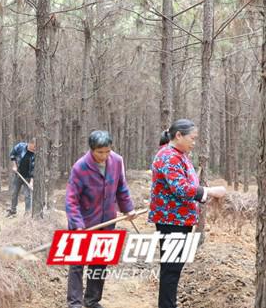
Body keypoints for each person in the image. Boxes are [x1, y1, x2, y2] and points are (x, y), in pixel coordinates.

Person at [148, 119, 226, 308]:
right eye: (192, 138)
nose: (194, 142)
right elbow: (181, 188)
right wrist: (210, 192)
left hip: (180, 219)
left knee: (174, 267)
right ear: (178, 136)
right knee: (171, 269)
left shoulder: (180, 154)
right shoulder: (169, 156)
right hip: (171, 220)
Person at [65, 130, 137, 308]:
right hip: (84, 221)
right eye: (99, 152)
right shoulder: (80, 167)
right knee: (77, 264)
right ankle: (74, 303)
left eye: (107, 151)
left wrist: (128, 208)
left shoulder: (117, 161)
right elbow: (71, 199)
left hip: (107, 220)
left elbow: (121, 188)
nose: (104, 156)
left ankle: (92, 300)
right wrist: (78, 225)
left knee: (99, 262)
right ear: (91, 150)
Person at [6, 138, 35, 216]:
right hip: (18, 174)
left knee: (27, 195)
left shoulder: (35, 154)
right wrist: (14, 166)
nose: (33, 150)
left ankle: (27, 212)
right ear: (29, 144)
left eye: (34, 148)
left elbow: (33, 170)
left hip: (28, 177)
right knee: (14, 193)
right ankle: (13, 210)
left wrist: (31, 182)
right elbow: (12, 155)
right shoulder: (20, 146)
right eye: (32, 148)